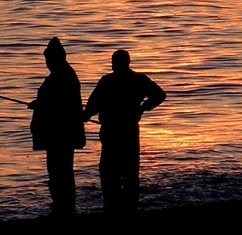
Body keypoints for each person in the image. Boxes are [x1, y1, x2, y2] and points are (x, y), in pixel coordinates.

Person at [83, 49, 165, 214]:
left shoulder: (107, 81)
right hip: (129, 133)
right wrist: (143, 108)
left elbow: (92, 105)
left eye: (114, 62)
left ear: (115, 64)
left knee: (109, 173)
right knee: (130, 173)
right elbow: (159, 95)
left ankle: (113, 208)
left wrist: (83, 116)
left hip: (112, 133)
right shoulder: (138, 80)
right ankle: (130, 209)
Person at [28, 37, 86, 216]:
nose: (47, 62)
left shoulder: (63, 75)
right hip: (59, 133)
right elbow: (54, 101)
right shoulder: (62, 74)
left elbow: (60, 104)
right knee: (60, 171)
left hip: (60, 133)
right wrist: (40, 103)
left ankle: (64, 207)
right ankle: (63, 205)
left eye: (48, 58)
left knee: (60, 171)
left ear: (57, 57)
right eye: (46, 59)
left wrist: (40, 105)